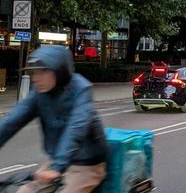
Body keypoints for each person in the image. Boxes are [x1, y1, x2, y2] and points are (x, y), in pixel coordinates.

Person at [0, 45, 108, 193]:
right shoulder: (40, 93)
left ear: (59, 71)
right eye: (34, 73)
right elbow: (11, 121)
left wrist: (57, 167)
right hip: (56, 161)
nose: (36, 78)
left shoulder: (81, 89)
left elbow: (76, 128)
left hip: (87, 164)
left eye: (43, 71)